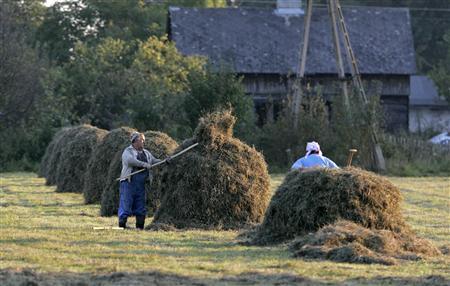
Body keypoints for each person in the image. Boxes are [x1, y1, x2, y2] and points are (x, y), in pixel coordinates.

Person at [118, 132, 162, 229]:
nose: (143, 143)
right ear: (134, 142)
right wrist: (143, 164)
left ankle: (140, 227)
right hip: (128, 183)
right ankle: (122, 226)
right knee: (126, 204)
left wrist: (164, 161)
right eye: (140, 141)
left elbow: (154, 161)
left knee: (140, 206)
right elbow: (129, 160)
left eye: (143, 141)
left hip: (141, 184)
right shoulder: (128, 151)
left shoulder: (146, 153)